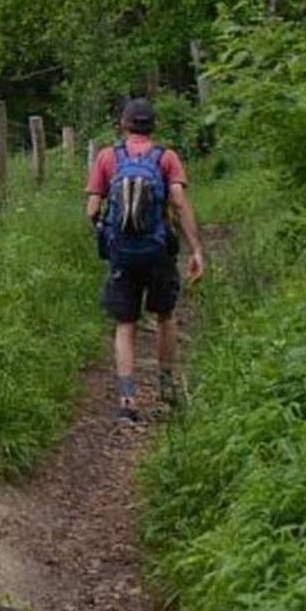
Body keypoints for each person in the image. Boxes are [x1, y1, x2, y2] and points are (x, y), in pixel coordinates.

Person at [85, 97, 205, 424]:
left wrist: (107, 234)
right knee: (165, 316)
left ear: (123, 124)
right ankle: (167, 386)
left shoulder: (108, 157)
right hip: (158, 251)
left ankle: (127, 399)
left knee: (125, 324)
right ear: (153, 126)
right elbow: (179, 203)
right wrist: (196, 249)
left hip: (122, 253)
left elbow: (92, 210)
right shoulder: (166, 158)